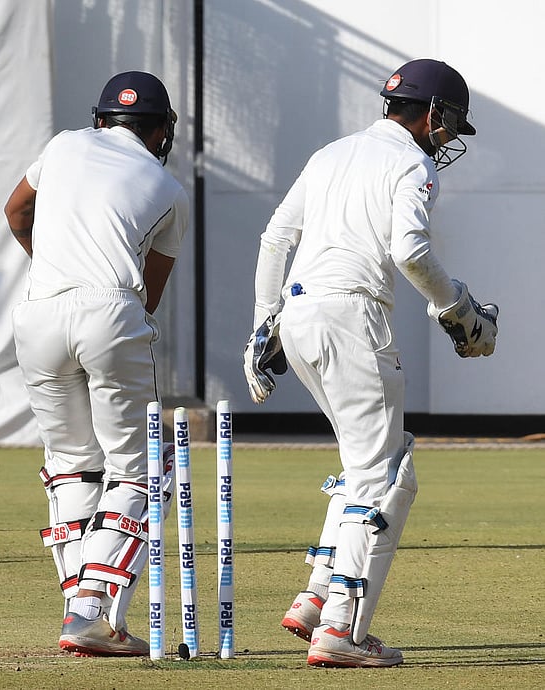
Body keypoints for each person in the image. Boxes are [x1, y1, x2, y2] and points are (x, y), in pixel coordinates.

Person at [243, 59, 498, 668]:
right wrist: (457, 307)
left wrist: (262, 321)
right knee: (388, 475)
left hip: (298, 317)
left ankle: (315, 600)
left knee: (364, 463)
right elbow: (408, 249)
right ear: (433, 114)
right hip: (351, 318)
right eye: (449, 124)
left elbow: (276, 237)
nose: (447, 139)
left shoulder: (331, 153)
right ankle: (342, 632)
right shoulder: (409, 163)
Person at [4, 71, 188, 656]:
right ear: (160, 128)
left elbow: (15, 212)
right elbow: (149, 296)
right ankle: (89, 613)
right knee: (134, 469)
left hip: (39, 312)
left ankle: (74, 606)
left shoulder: (62, 144)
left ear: (101, 118)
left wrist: (53, 267)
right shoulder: (169, 188)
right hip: (110, 312)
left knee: (70, 466)